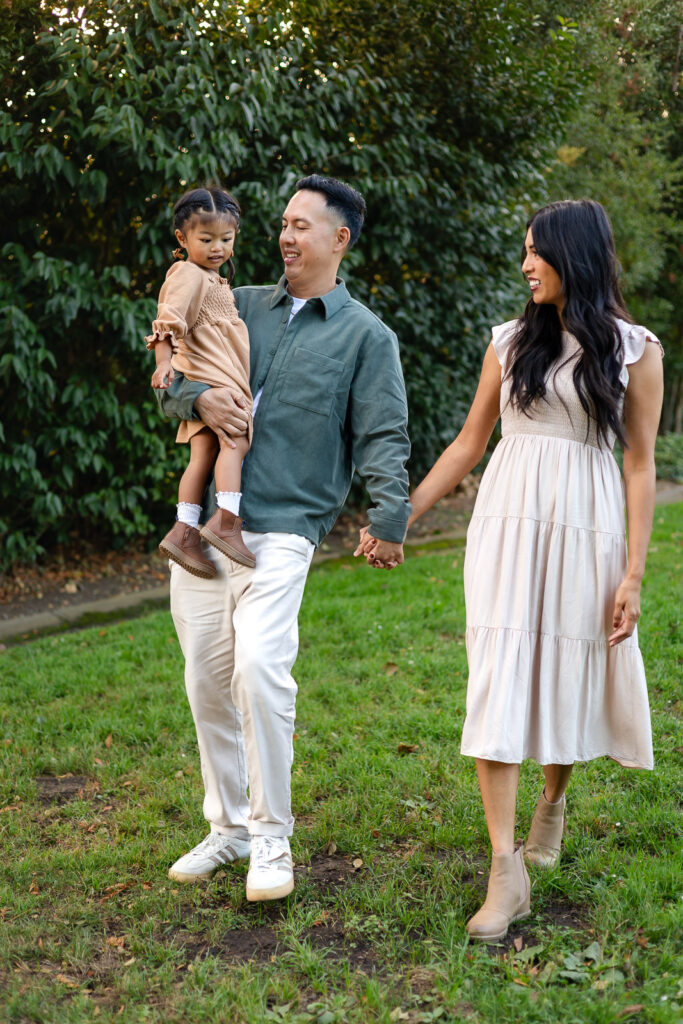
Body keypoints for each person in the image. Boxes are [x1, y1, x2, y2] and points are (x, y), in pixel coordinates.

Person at [358, 199, 664, 941]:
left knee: (567, 671)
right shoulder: (507, 341)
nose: (525, 264)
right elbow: (468, 444)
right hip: (505, 524)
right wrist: (397, 518)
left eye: (537, 252)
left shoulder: (633, 350)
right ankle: (505, 871)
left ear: (576, 256)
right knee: (498, 674)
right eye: (523, 251)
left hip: (586, 529)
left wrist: (632, 573)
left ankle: (551, 803)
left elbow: (639, 464)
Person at [155, 175, 410, 901]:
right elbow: (173, 374)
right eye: (283, 223)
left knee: (260, 669)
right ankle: (228, 827)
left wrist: (387, 519)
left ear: (340, 240)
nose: (285, 236)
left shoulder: (367, 336)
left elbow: (383, 436)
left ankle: (271, 837)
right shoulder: (229, 302)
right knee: (206, 678)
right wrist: (194, 396)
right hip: (203, 530)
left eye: (303, 225)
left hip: (284, 530)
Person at [146, 186, 255, 578]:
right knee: (235, 439)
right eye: (206, 239)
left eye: (226, 239)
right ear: (182, 238)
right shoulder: (188, 274)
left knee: (203, 455)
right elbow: (167, 320)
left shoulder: (213, 279)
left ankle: (184, 530)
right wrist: (163, 364)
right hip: (214, 378)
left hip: (210, 377)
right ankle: (227, 520)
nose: (217, 248)